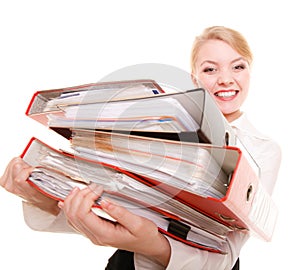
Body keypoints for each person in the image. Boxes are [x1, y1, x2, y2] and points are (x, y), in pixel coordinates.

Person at [0, 26, 281, 270]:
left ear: (250, 72)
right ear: (195, 79)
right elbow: (116, 198)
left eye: (238, 66)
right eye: (210, 69)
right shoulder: (159, 125)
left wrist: (155, 246)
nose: (226, 79)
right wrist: (43, 198)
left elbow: (228, 252)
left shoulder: (265, 150)